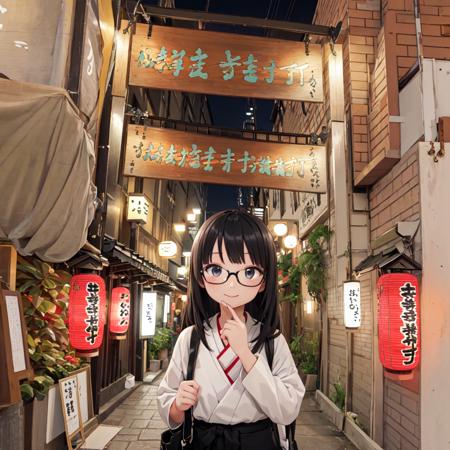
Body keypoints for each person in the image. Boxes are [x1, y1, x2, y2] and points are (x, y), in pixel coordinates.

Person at [157, 209, 305, 449]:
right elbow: (169, 407)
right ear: (202, 277)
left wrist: (246, 355)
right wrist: (177, 405)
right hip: (201, 442)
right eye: (217, 270)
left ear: (263, 282)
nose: (232, 282)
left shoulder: (271, 340)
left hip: (257, 443)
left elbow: (288, 409)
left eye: (249, 271)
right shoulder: (191, 338)